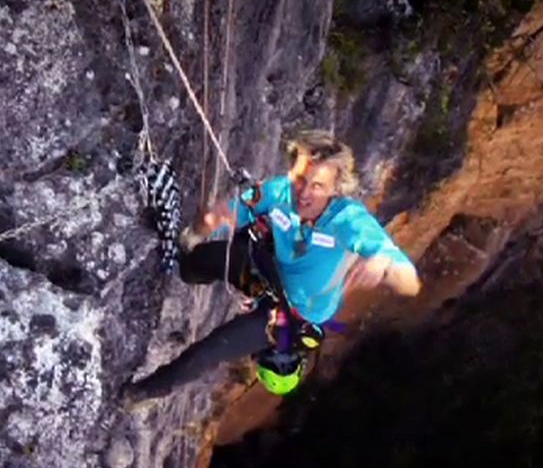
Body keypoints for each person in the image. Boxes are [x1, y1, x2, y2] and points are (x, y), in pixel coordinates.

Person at [121, 130, 421, 406]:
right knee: (196, 264)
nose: (304, 193)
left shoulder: (349, 221)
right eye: (300, 179)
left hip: (291, 314)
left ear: (336, 189)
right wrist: (202, 228)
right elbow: (231, 213)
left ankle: (142, 393)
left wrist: (381, 263)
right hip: (267, 275)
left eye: (318, 186)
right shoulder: (277, 192)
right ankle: (185, 264)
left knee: (209, 351)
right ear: (291, 172)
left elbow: (410, 282)